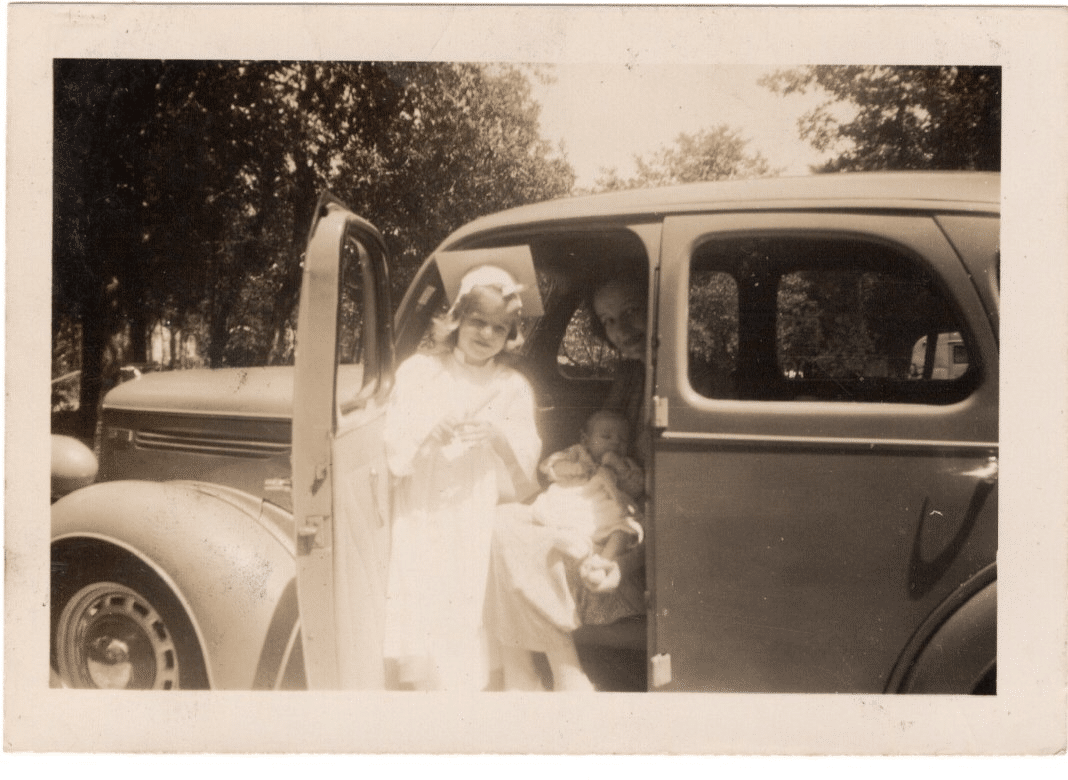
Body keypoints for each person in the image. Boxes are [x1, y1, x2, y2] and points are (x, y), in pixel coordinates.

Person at [382, 264, 541, 692]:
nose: (486, 334)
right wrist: (426, 429)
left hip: (473, 505)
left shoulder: (511, 386)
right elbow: (391, 439)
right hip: (424, 504)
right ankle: (422, 689)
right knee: (422, 588)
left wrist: (497, 436)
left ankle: (464, 693)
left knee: (465, 595)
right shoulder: (420, 372)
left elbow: (527, 466)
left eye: (499, 328)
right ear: (457, 319)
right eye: (477, 321)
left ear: (510, 336)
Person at [485, 410, 646, 691]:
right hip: (561, 510)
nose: (614, 444)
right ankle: (543, 672)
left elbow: (636, 486)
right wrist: (571, 469)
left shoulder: (624, 464)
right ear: (586, 439)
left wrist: (618, 467)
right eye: (605, 437)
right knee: (501, 519)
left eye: (622, 440)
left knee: (620, 527)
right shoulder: (576, 455)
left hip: (598, 516)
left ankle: (599, 559)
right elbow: (550, 467)